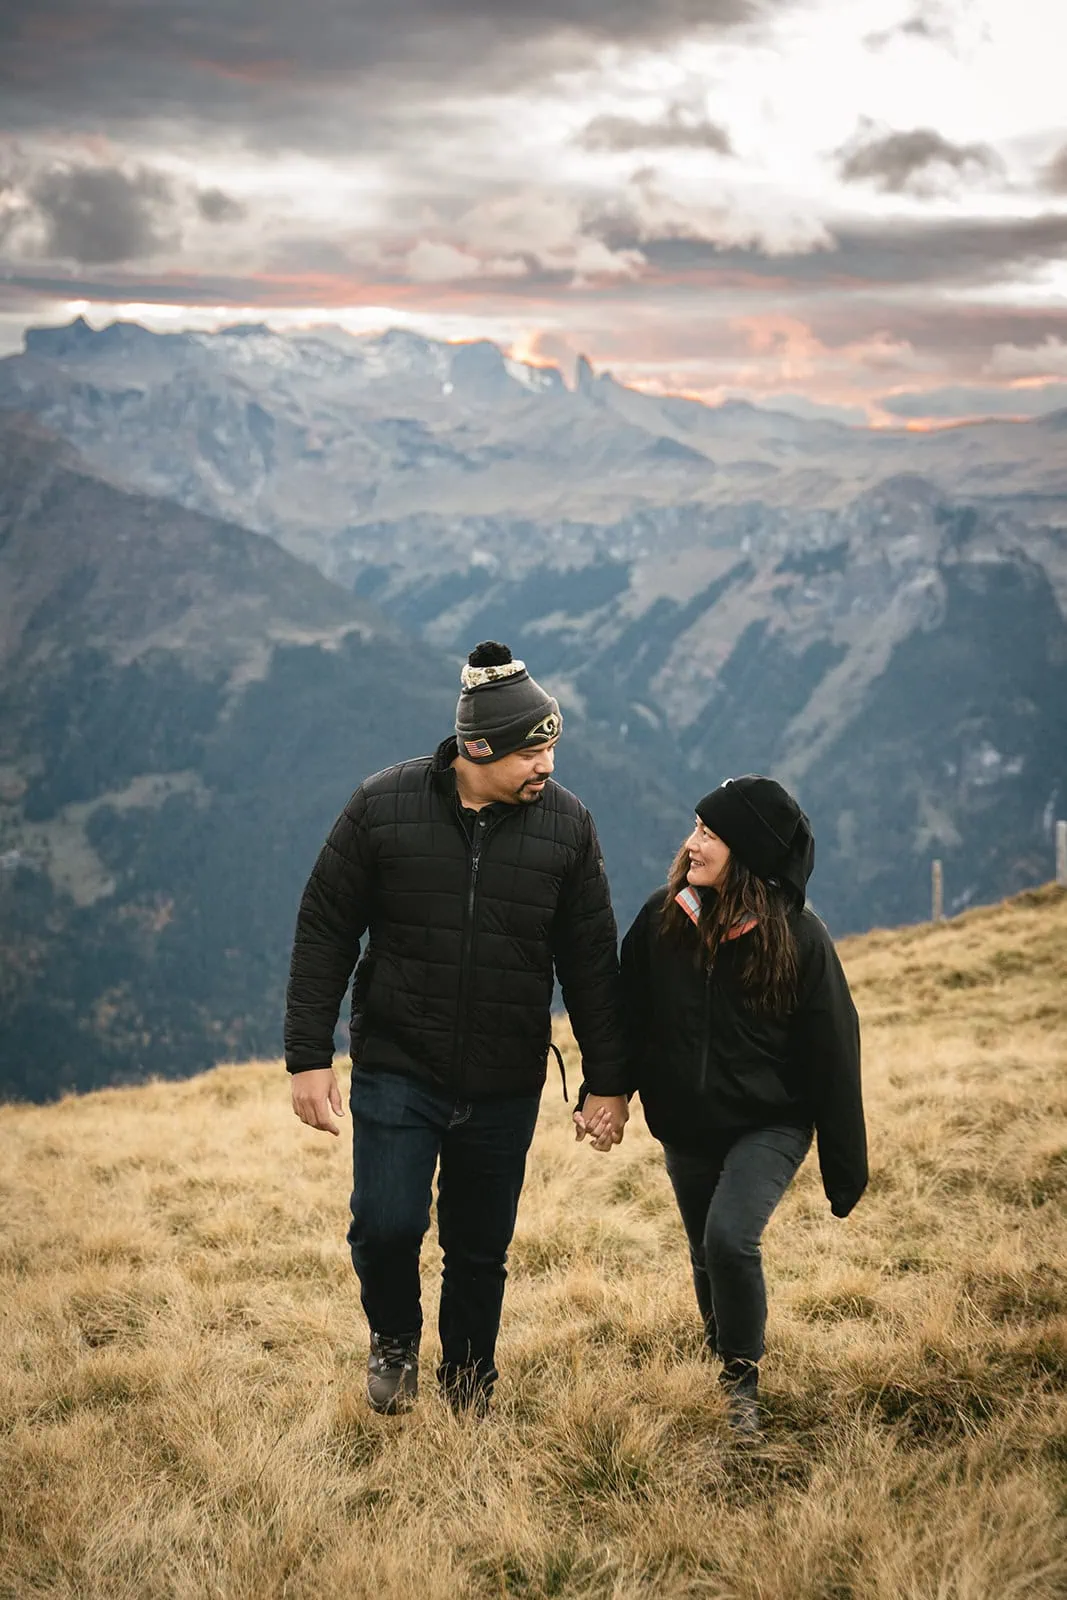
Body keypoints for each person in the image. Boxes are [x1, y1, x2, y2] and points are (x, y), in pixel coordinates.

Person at [285, 641, 628, 1417]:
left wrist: (607, 1080)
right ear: (479, 748)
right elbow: (324, 932)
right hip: (399, 1065)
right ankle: (395, 1342)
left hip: (505, 1078)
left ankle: (469, 1380)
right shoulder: (382, 806)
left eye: (551, 746)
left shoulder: (567, 828)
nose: (546, 764)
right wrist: (308, 1057)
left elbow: (591, 966)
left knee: (479, 1249)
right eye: (531, 749)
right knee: (384, 1224)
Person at [576, 775, 867, 1437]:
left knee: (730, 1239)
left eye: (709, 833)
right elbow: (625, 1016)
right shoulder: (661, 919)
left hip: (771, 1120)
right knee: (706, 1252)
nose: (691, 843)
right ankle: (724, 1367)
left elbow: (834, 1057)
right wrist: (607, 1094)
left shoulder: (799, 940)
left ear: (750, 852)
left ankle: (741, 1382)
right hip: (685, 1123)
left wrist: (845, 1171)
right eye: (696, 828)